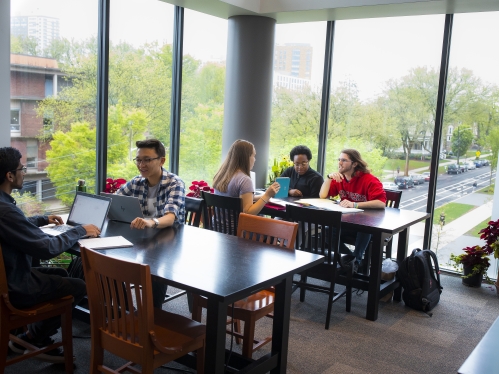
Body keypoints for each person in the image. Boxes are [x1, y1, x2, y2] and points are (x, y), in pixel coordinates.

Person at [0, 147, 100, 363]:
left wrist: (41, 219)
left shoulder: (3, 205)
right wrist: (81, 230)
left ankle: (31, 336)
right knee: (78, 286)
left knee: (59, 272)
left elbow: (16, 228)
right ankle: (32, 338)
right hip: (14, 287)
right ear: (9, 175)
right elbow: (46, 248)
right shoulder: (5, 210)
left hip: (9, 277)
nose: (24, 172)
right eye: (22, 169)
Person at [117, 139, 185, 308]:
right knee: (111, 260)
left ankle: (153, 316)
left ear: (161, 160)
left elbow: (170, 218)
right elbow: (114, 200)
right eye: (139, 160)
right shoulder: (136, 182)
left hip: (169, 242)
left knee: (155, 270)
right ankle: (123, 310)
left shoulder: (175, 183)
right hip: (144, 239)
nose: (141, 165)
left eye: (147, 160)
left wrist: (150, 222)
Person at [319, 148, 386, 271]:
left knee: (365, 228)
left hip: (370, 226)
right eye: (339, 159)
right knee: (326, 231)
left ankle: (356, 261)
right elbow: (323, 196)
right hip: (349, 223)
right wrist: (328, 177)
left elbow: (381, 203)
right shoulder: (340, 179)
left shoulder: (369, 180)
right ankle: (351, 259)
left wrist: (354, 204)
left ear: (354, 164)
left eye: (344, 160)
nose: (340, 163)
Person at [213, 139, 280, 215]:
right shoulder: (244, 180)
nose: (255, 160)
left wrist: (265, 196)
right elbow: (248, 212)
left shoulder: (221, 175)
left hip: (215, 225)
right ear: (246, 157)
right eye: (253, 156)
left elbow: (237, 198)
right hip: (236, 226)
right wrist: (267, 195)